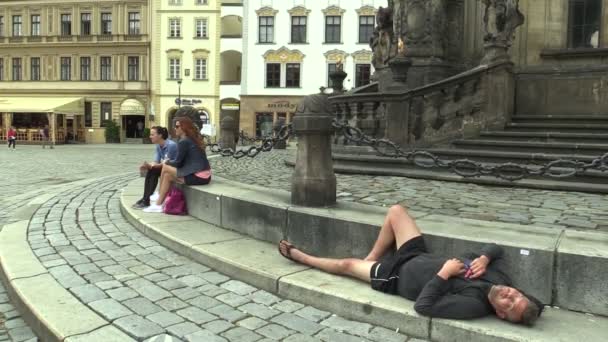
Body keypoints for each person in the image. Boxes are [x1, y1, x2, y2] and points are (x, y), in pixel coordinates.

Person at [278, 205, 544, 325]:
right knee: (396, 211)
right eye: (515, 296)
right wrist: (485, 258)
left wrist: (444, 273)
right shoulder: (500, 279)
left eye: (508, 306)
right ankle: (371, 257)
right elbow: (495, 248)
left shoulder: (473, 305)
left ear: (499, 314)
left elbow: (423, 306)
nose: (509, 296)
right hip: (416, 254)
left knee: (347, 265)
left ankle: (301, 257)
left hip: (396, 276)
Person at [143, 116, 211, 213]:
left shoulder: (184, 141)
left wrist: (167, 162)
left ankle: (158, 194)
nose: (175, 128)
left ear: (184, 128)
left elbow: (178, 163)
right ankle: (158, 204)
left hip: (199, 176)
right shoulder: (191, 139)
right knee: (167, 176)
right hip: (203, 174)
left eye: (177, 126)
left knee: (166, 167)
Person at [132, 126, 178, 209]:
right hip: (165, 167)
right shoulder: (158, 146)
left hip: (173, 169)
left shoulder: (171, 145)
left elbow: (167, 163)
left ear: (160, 135)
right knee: (151, 170)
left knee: (153, 170)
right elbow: (156, 161)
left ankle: (146, 200)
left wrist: (152, 166)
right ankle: (145, 198)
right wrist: (148, 165)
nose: (150, 136)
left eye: (152, 134)